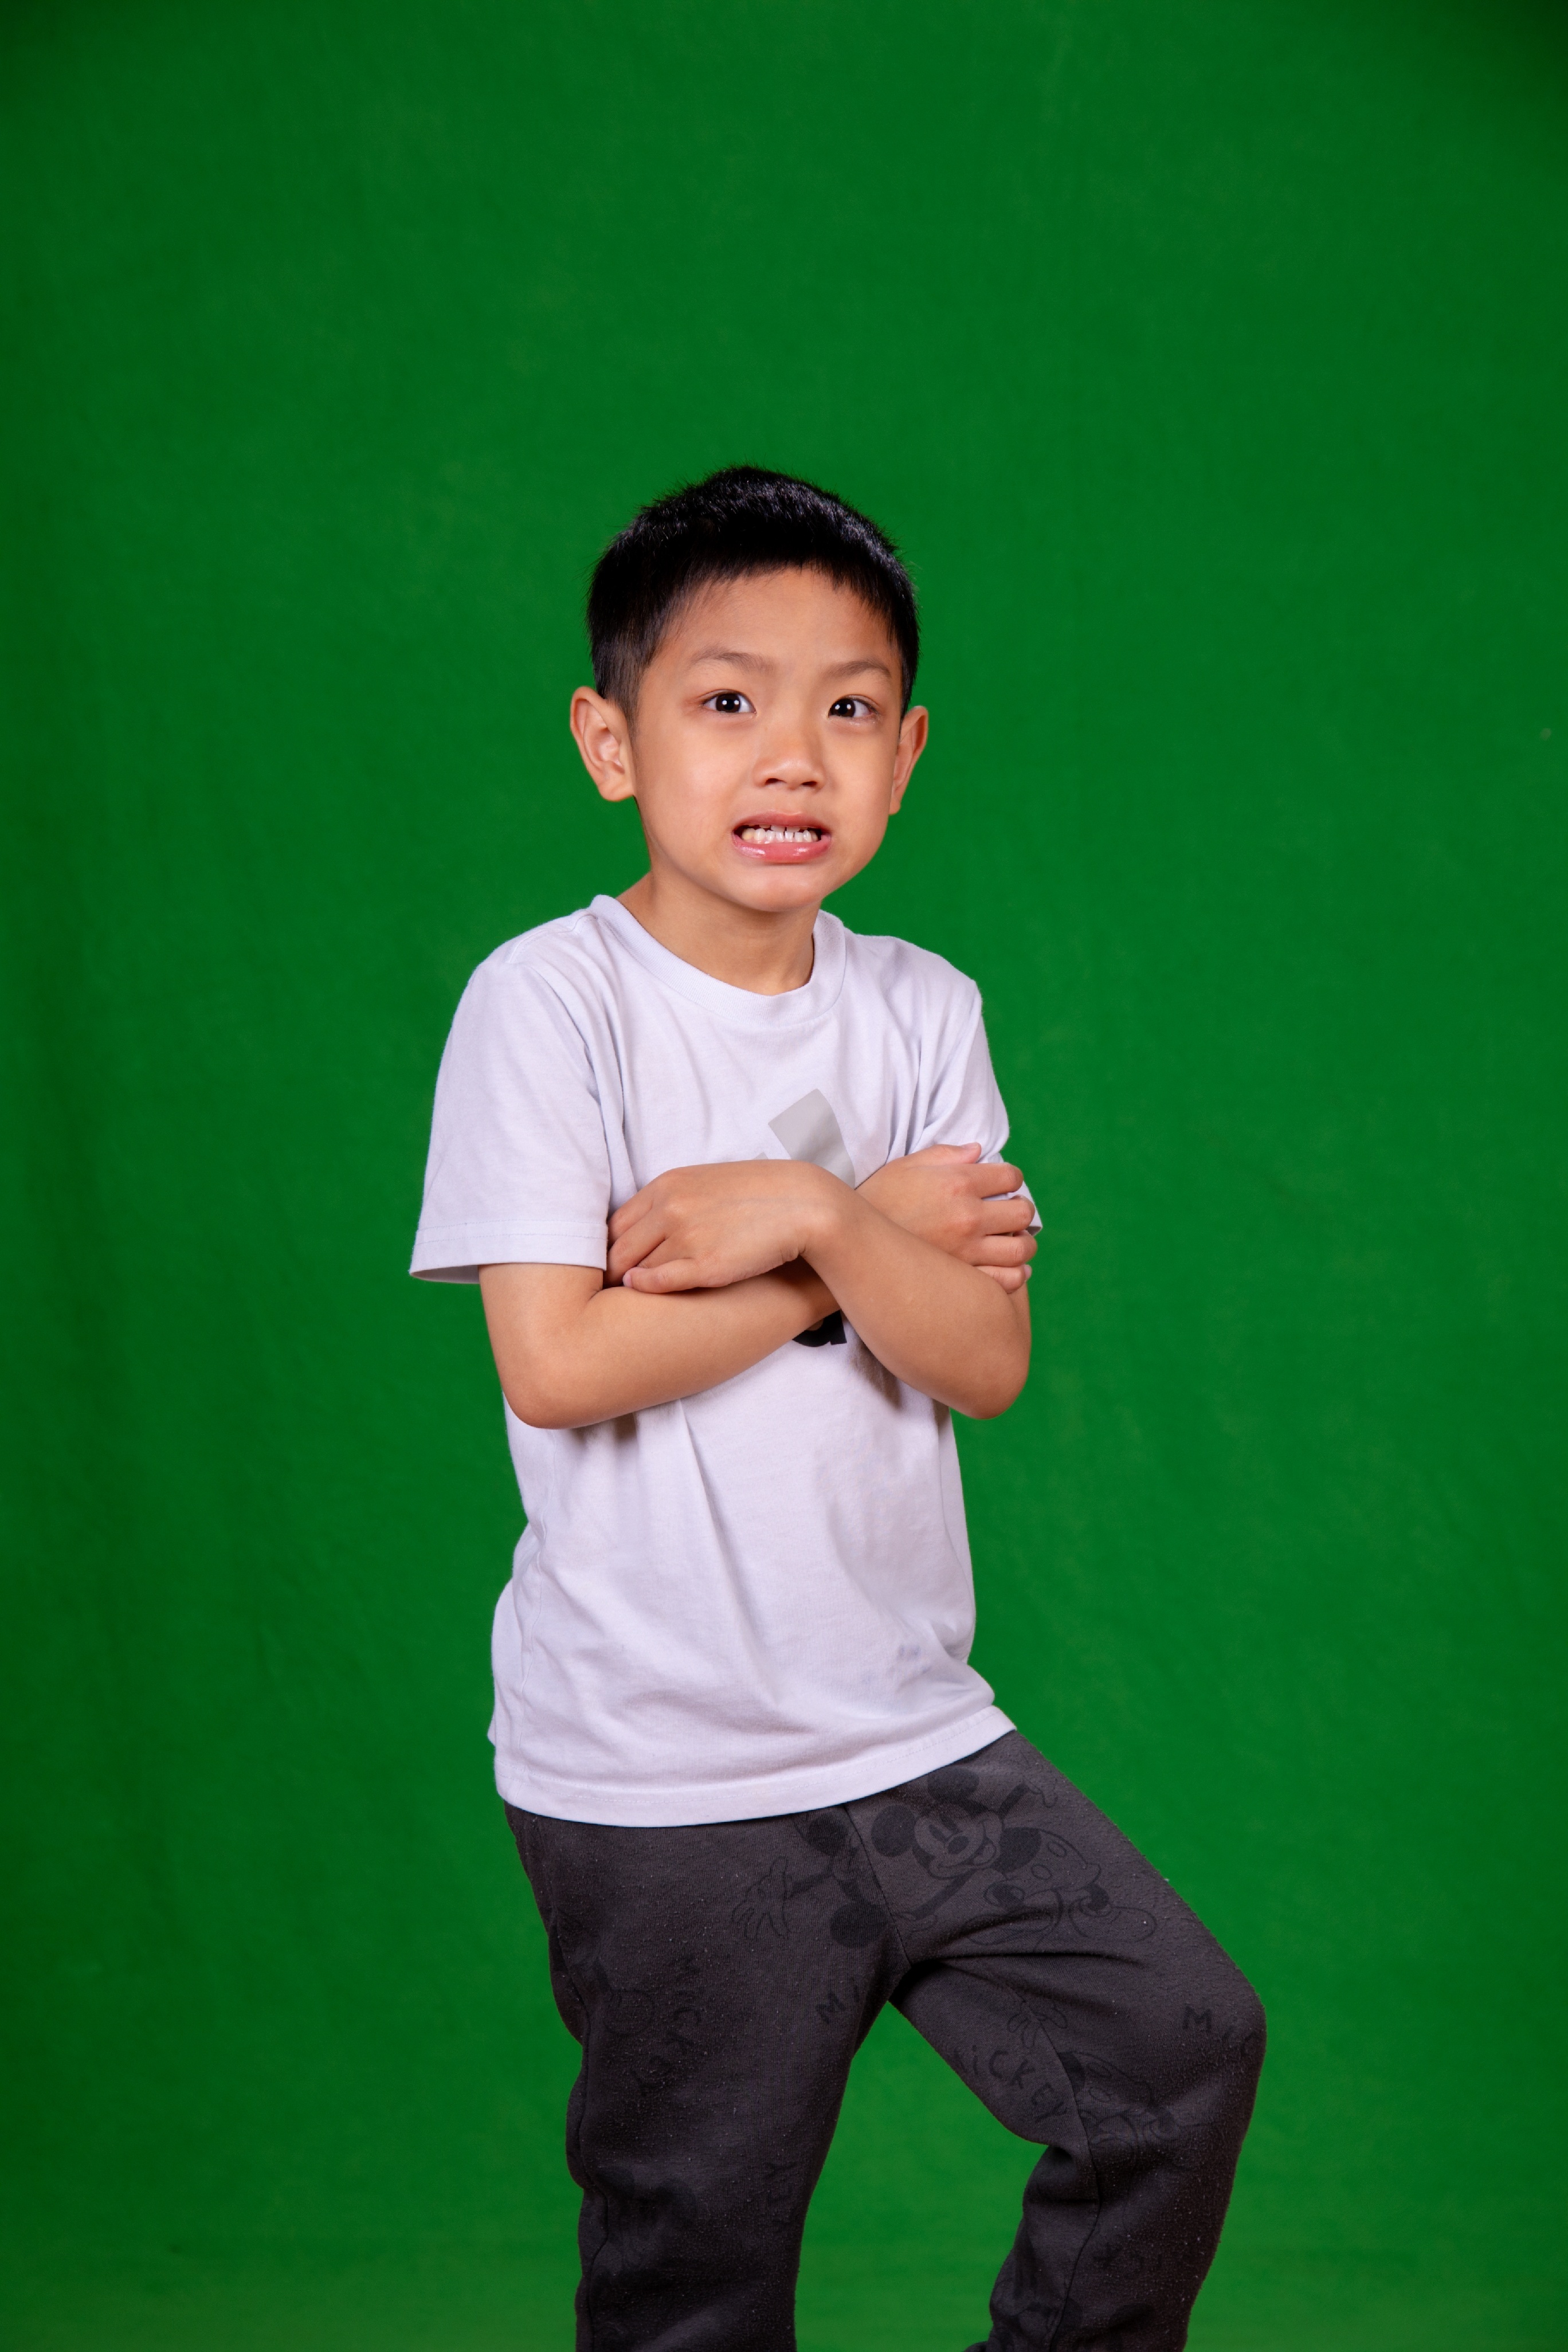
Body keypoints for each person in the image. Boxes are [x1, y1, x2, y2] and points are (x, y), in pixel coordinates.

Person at [411, 467, 1263, 2351]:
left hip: (917, 1733)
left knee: (1177, 2055)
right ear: (611, 741)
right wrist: (861, 1243)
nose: (792, 754)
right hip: (666, 1775)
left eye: (850, 708)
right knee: (698, 2270)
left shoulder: (921, 1009)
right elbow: (560, 1361)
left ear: (906, 754)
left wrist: (804, 1207)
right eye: (727, 699)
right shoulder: (551, 1005)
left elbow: (983, 1359)